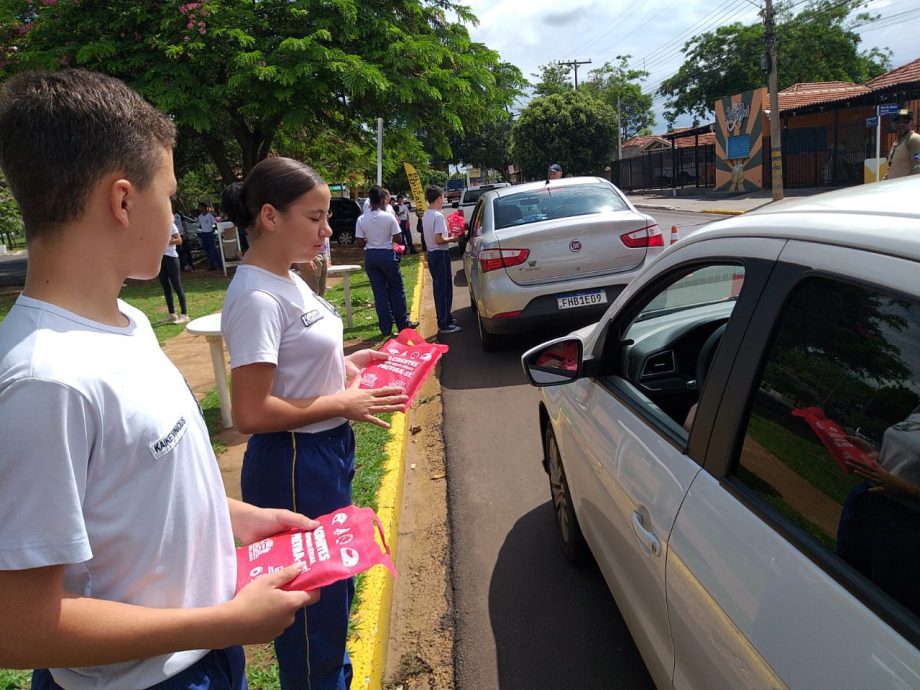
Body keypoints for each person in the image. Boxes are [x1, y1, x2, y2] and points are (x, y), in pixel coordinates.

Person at [0, 68, 320, 690]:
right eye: (169, 194)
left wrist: (233, 515)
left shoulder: (125, 324)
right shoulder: (46, 382)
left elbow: (130, 492)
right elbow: (19, 627)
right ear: (122, 201)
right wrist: (222, 622)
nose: (176, 218)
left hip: (204, 655)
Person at [219, 157, 409, 690]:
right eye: (317, 217)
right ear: (271, 217)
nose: (329, 230)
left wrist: (349, 367)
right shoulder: (258, 296)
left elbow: (296, 368)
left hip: (326, 451)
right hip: (295, 463)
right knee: (311, 614)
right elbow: (252, 413)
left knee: (335, 592)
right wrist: (340, 404)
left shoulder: (289, 279)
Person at [356, 186, 418, 336]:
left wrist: (368, 240)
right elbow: (398, 238)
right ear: (383, 200)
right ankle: (402, 324)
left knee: (379, 293)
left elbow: (358, 242)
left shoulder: (362, 219)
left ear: (369, 201)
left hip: (371, 256)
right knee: (396, 290)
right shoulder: (388, 216)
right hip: (387, 254)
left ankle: (385, 328)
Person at [422, 186, 462, 334]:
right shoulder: (437, 216)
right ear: (439, 198)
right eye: (443, 197)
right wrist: (454, 238)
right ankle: (445, 322)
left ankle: (446, 318)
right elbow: (439, 239)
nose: (443, 199)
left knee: (439, 288)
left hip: (432, 254)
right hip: (439, 253)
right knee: (444, 289)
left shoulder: (427, 214)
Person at [158, 215, 190, 323]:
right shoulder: (156, 226)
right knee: (165, 286)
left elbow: (179, 240)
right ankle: (172, 314)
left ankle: (184, 314)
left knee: (177, 285)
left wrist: (165, 243)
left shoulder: (171, 225)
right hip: (160, 258)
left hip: (171, 258)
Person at [885, 108, 920, 179]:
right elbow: (891, 169)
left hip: (904, 188)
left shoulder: (914, 139)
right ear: (893, 124)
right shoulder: (896, 144)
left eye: (905, 121)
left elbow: (918, 167)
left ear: (911, 123)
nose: (901, 124)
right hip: (892, 187)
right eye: (897, 122)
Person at [197, 201, 221, 270]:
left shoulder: (210, 216)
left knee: (213, 250)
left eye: (200, 207)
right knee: (207, 250)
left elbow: (214, 223)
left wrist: (212, 228)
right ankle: (212, 265)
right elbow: (199, 225)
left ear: (204, 207)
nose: (199, 208)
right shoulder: (200, 217)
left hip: (209, 234)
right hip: (204, 234)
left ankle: (219, 265)